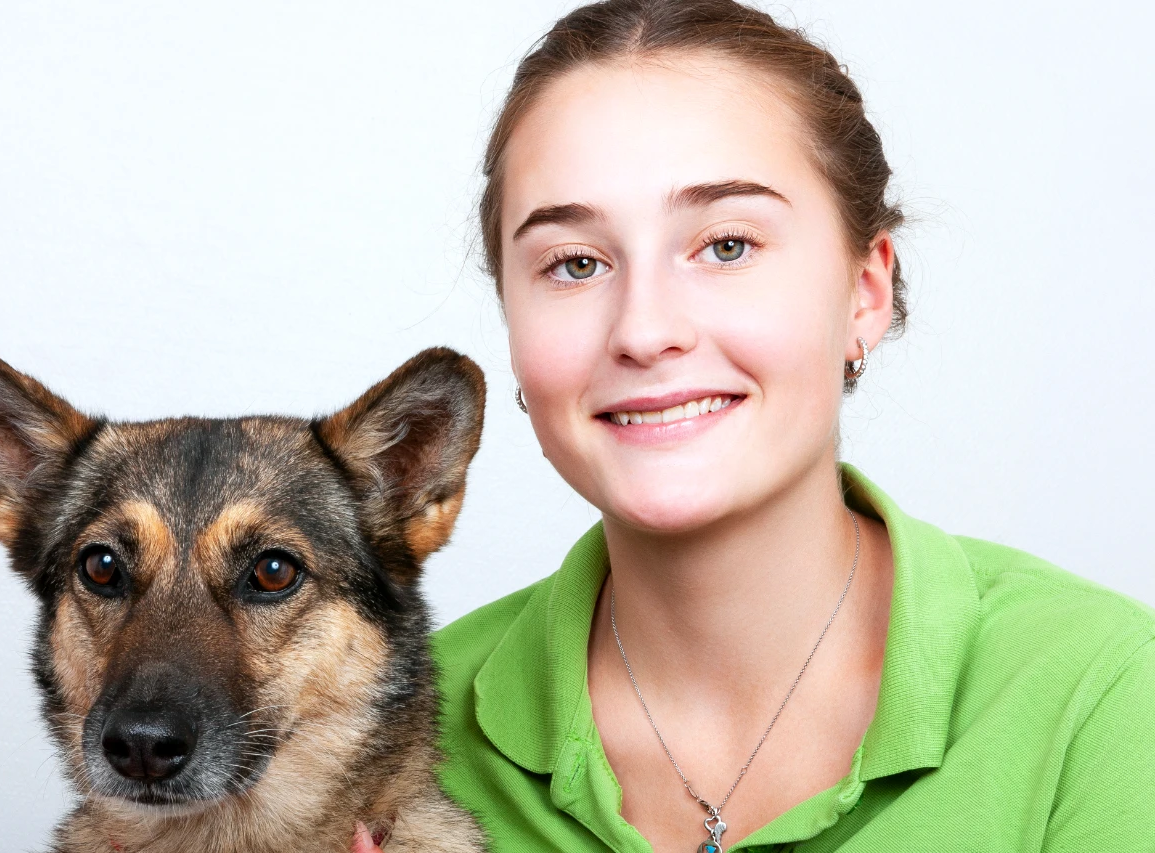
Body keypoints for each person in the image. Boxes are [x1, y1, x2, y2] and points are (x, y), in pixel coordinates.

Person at [355, 1, 1155, 850]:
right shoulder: (380, 742)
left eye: (727, 245)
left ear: (865, 292)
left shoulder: (1105, 693)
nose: (643, 330)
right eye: (575, 263)